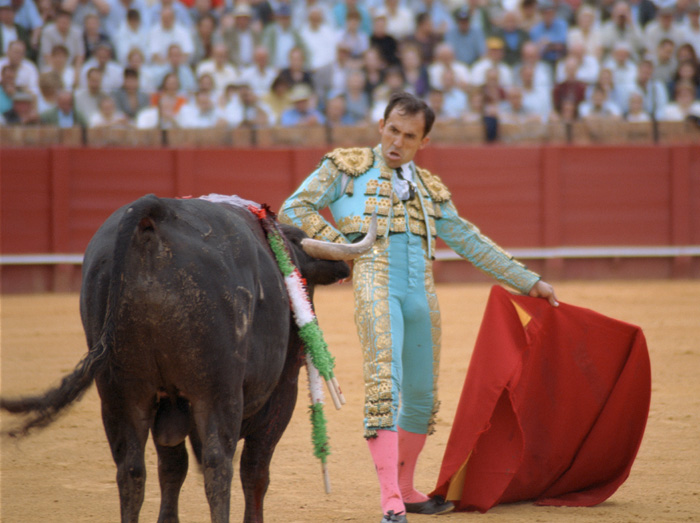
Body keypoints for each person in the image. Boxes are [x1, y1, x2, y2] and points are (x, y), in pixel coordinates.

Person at [278, 91, 558, 523]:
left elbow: (468, 239)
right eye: (392, 129)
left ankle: (407, 488)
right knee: (384, 386)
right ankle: (390, 497)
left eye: (409, 136)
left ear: (423, 142)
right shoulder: (346, 167)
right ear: (381, 125)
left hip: (422, 294)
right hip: (377, 285)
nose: (397, 142)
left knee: (423, 397)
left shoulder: (429, 187)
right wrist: (345, 246)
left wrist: (529, 281)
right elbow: (294, 208)